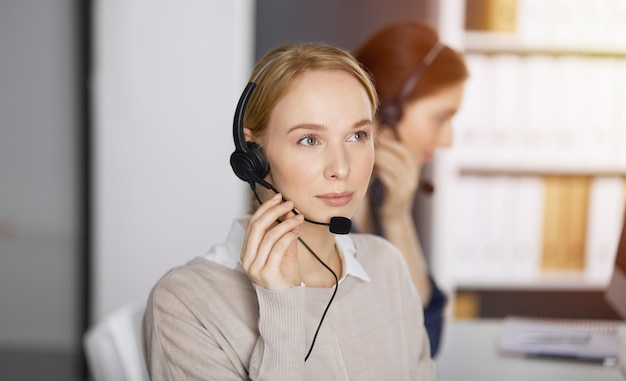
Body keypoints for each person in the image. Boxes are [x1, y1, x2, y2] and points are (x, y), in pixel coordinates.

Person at [142, 43, 435, 380]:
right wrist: (280, 305)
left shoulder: (386, 267)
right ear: (253, 157)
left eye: (357, 135)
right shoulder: (185, 303)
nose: (341, 168)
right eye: (309, 140)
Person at [352, 20, 469, 356]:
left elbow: (426, 339)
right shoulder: (322, 207)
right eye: (441, 118)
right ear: (388, 110)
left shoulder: (378, 195)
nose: (448, 140)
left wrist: (397, 216)